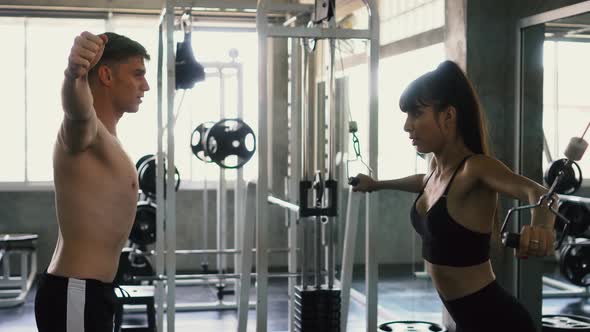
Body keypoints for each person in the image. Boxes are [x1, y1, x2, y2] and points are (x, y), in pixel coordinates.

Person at [351, 60, 555, 332]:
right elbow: (424, 183)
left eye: (416, 114)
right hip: (467, 320)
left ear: (448, 117)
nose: (407, 126)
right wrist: (377, 184)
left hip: (497, 320)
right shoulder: (437, 170)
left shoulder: (476, 168)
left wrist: (541, 227)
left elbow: (540, 193)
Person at [35, 31, 150, 332]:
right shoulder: (85, 133)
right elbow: (76, 110)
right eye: (137, 74)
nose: (145, 86)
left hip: (90, 292)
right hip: (77, 291)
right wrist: (74, 74)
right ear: (107, 75)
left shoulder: (109, 139)